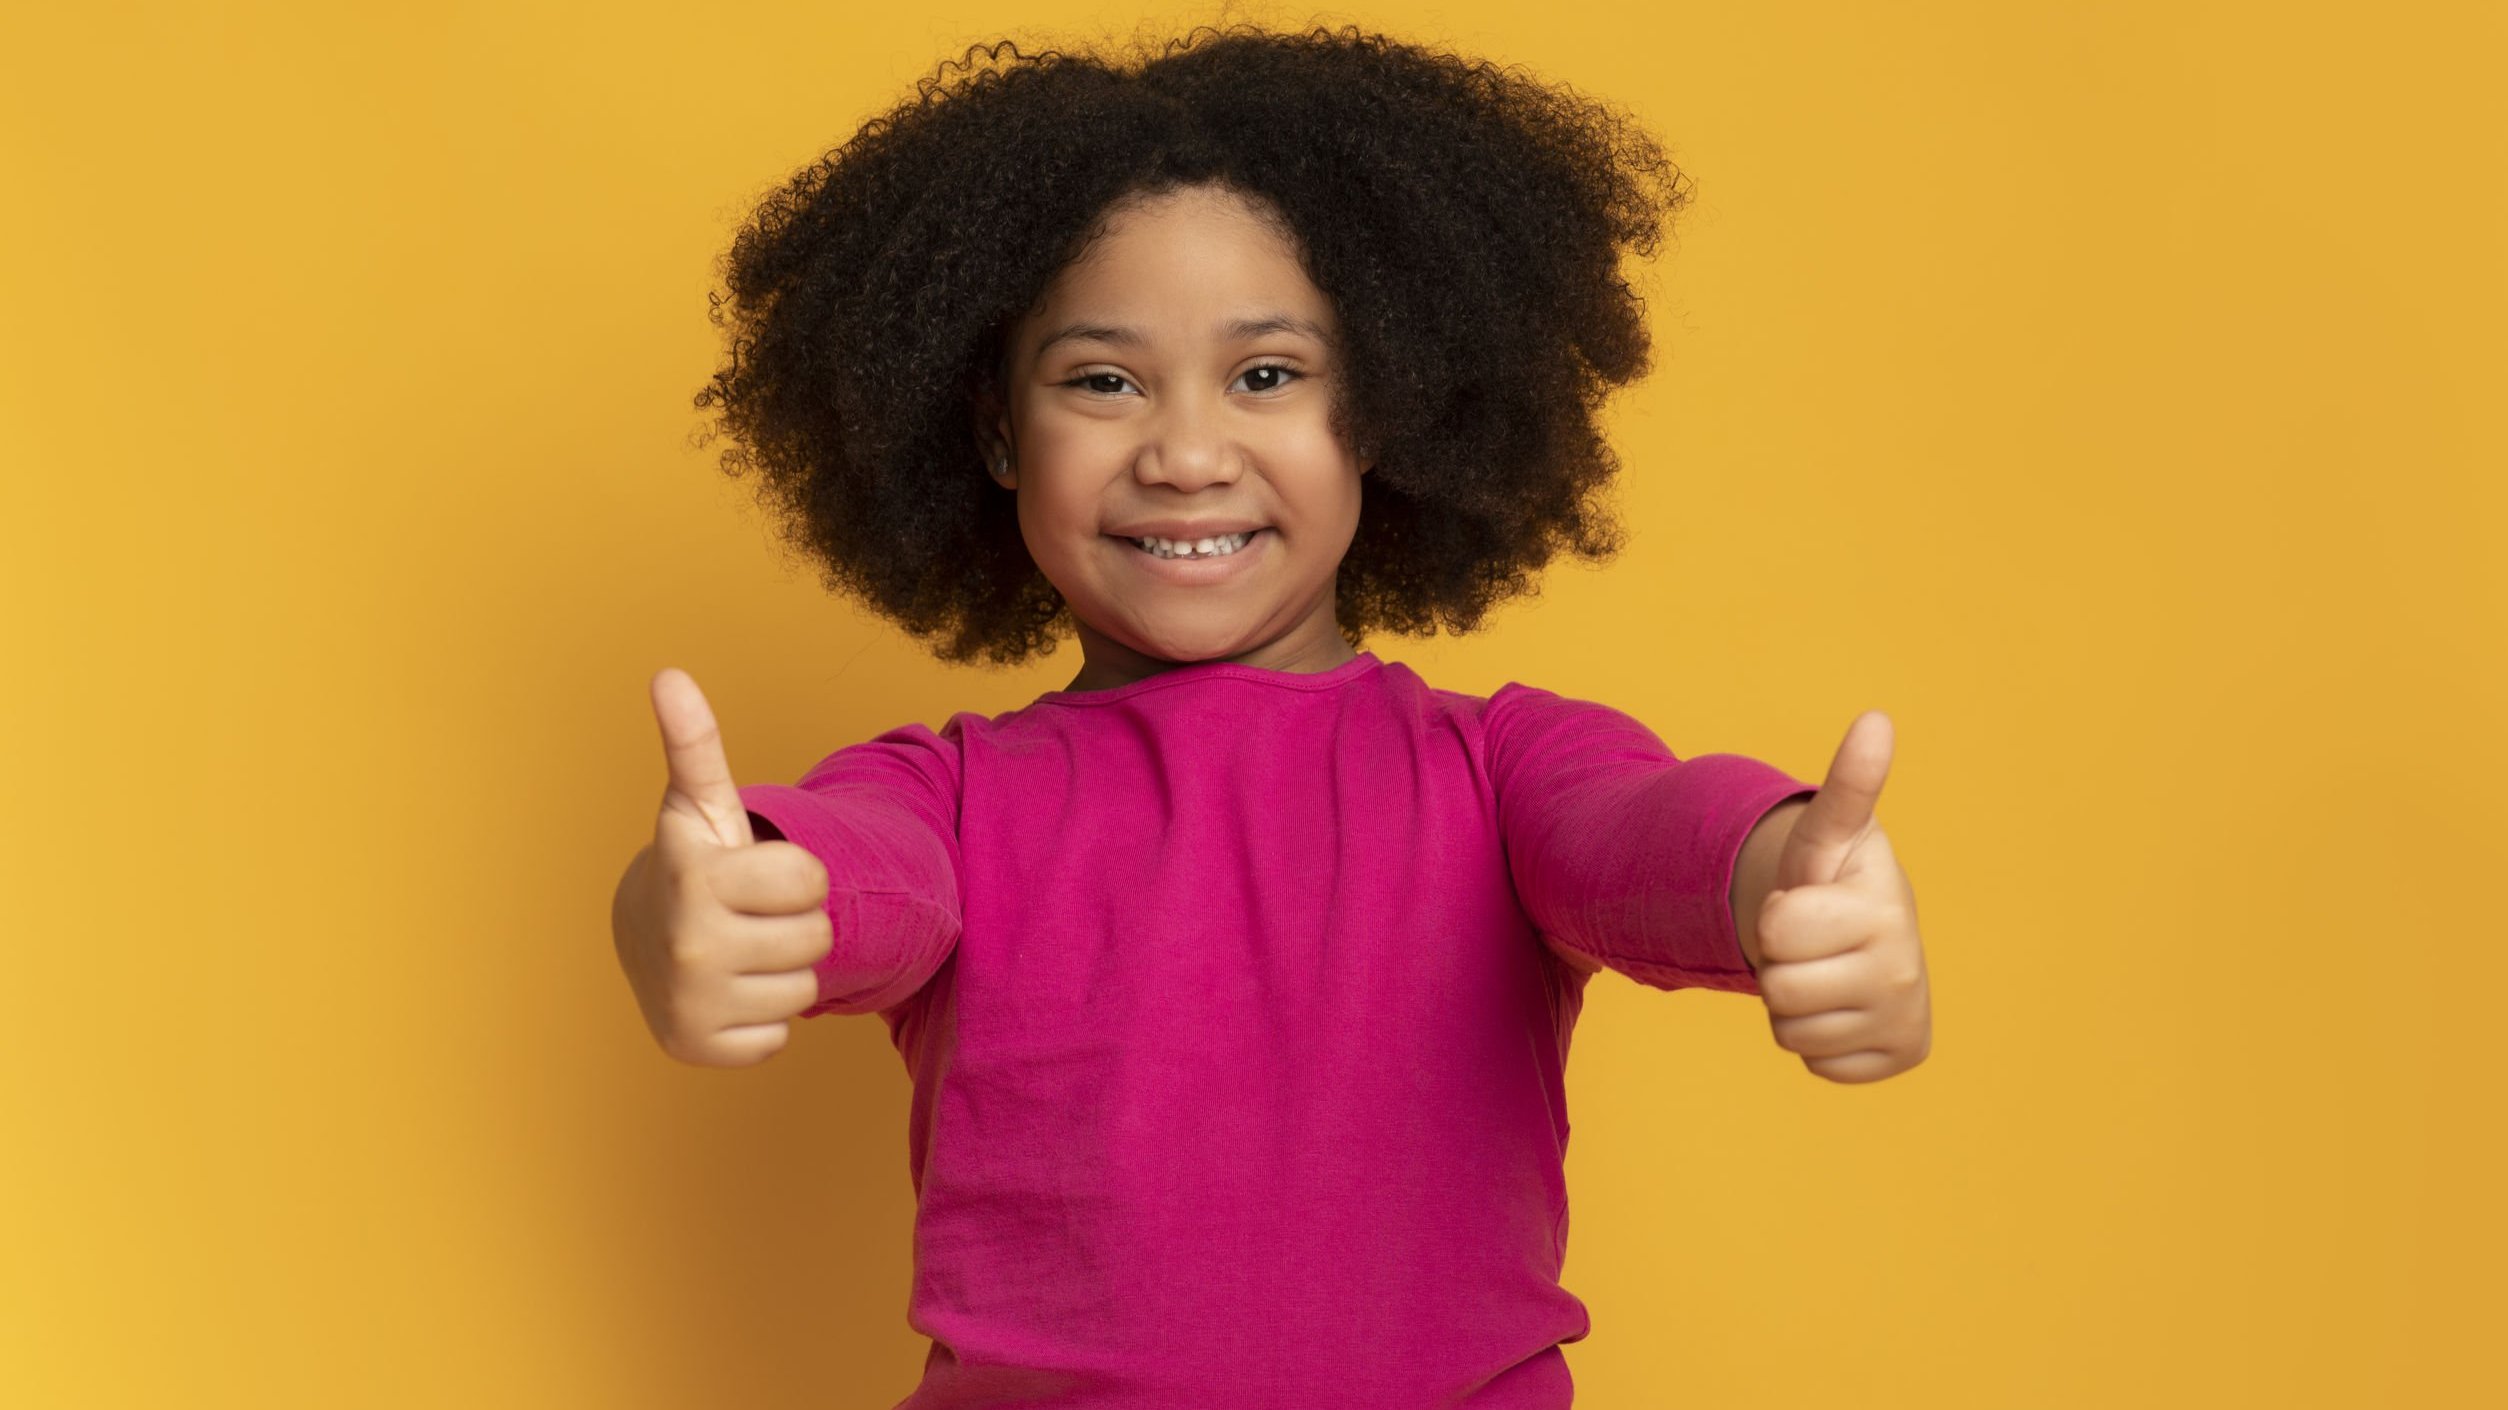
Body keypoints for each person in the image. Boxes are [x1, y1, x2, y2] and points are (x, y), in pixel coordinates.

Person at [610, 21, 1932, 1408]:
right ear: (1001, 432)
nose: (1186, 454)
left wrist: (1786, 870)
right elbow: (828, 869)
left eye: (1266, 375)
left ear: (1381, 411)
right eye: (1104, 380)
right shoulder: (951, 797)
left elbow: (1643, 831)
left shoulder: (1498, 770)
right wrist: (701, 903)